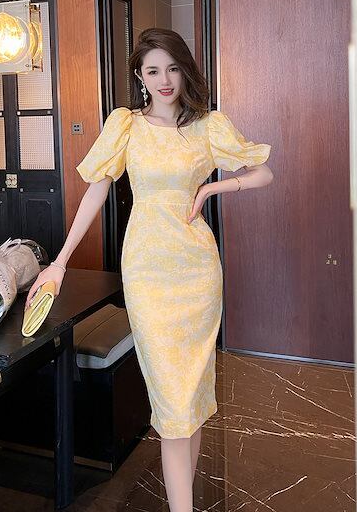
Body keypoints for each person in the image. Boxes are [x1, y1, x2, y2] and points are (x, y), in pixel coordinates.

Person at [25, 28, 273, 511]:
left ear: (185, 71)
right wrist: (58, 263)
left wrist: (211, 189)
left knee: (189, 399)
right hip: (146, 273)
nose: (165, 80)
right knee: (173, 399)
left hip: (197, 272)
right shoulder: (126, 125)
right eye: (153, 70)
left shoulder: (208, 126)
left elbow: (263, 171)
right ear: (139, 76)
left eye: (173, 68)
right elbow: (96, 191)